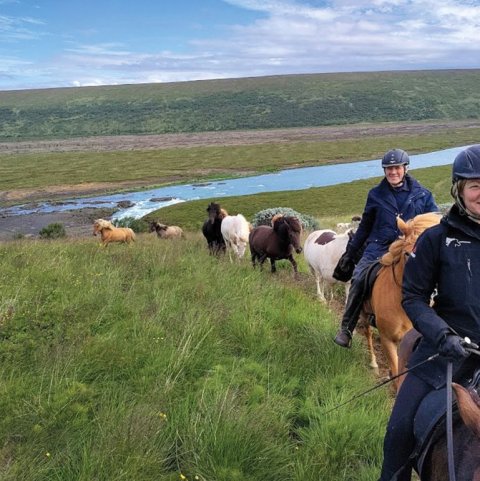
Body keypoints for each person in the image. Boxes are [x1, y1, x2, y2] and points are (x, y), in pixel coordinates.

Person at [377, 144, 480, 480]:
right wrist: (442, 334)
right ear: (459, 190)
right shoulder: (437, 239)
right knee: (398, 433)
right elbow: (414, 298)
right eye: (475, 185)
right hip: (446, 352)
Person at [333, 148, 438, 348]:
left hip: (412, 248)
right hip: (379, 248)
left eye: (396, 168)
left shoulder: (423, 194)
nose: (393, 172)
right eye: (388, 169)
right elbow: (364, 227)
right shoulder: (375, 195)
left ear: (405, 168)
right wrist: (351, 252)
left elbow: (435, 222)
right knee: (359, 277)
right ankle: (347, 328)